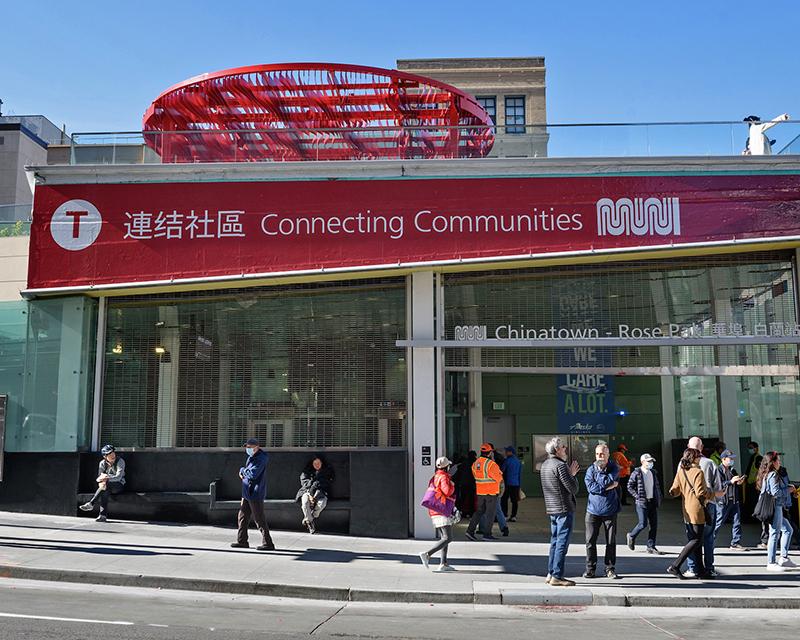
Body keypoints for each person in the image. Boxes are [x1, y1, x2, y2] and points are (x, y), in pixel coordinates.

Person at [667, 448, 715, 579]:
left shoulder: (682, 470)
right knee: (696, 540)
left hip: (686, 509)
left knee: (696, 541)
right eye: (699, 456)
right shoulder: (698, 472)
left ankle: (700, 571)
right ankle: (675, 566)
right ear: (694, 458)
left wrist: (672, 492)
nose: (700, 458)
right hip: (697, 509)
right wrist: (713, 494)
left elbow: (675, 490)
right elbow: (701, 493)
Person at [541, 436, 580, 587]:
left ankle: (551, 573)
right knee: (562, 543)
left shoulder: (545, 464)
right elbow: (573, 488)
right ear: (557, 449)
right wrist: (572, 474)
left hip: (552, 508)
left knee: (555, 541)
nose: (565, 449)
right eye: (563, 447)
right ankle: (557, 575)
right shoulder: (560, 465)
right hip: (563, 507)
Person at [686, 435, 724, 577]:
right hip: (709, 505)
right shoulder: (710, 463)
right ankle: (709, 568)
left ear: (688, 447)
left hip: (690, 507)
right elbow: (718, 488)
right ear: (701, 448)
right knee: (708, 538)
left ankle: (692, 568)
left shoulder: (682, 464)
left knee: (692, 537)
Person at [583, 443, 621, 579]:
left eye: (603, 453)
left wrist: (602, 480)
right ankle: (590, 569)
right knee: (590, 541)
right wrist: (608, 487)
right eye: (598, 454)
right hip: (592, 510)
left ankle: (609, 568)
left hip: (610, 510)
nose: (600, 456)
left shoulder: (614, 468)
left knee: (610, 541)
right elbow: (591, 488)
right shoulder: (590, 470)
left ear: (608, 454)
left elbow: (608, 481)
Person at [230, 437, 275, 551]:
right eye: (247, 447)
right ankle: (242, 540)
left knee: (259, 519)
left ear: (257, 447)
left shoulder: (260, 459)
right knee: (243, 517)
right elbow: (248, 473)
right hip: (247, 492)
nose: (248, 449)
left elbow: (253, 474)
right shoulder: (252, 457)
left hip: (255, 492)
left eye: (250, 447)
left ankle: (268, 543)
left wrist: (242, 470)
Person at [757, 451, 798, 571]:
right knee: (775, 533)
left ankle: (783, 557)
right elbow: (775, 492)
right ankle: (771, 562)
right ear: (772, 462)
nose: (780, 462)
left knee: (788, 530)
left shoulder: (768, 474)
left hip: (778, 506)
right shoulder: (773, 475)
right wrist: (788, 491)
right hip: (776, 506)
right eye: (778, 460)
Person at [419, 456, 458, 572]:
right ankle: (427, 554)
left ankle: (443, 563)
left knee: (443, 537)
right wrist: (452, 484)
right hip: (442, 510)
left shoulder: (435, 477)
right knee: (448, 537)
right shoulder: (444, 477)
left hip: (435, 509)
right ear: (447, 467)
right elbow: (447, 491)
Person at [626, 453, 664, 554]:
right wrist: (637, 496)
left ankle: (651, 546)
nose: (650, 463)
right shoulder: (637, 473)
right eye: (648, 461)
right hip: (642, 502)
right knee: (643, 524)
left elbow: (656, 487)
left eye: (651, 461)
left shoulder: (653, 473)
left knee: (653, 525)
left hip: (652, 502)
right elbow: (629, 486)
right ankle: (631, 535)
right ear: (642, 462)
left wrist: (658, 497)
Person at [465, 443, 503, 541]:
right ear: (490, 452)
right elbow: (499, 478)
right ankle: (487, 534)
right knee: (490, 513)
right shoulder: (491, 464)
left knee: (479, 512)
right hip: (491, 492)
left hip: (480, 492)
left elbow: (475, 476)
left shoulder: (476, 463)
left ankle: (470, 531)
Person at [79, 444, 125, 522]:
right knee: (104, 489)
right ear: (105, 456)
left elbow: (118, 477)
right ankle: (102, 516)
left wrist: (106, 479)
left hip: (119, 485)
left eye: (113, 452)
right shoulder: (102, 463)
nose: (112, 455)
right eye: (109, 454)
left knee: (105, 486)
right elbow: (99, 477)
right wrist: (102, 482)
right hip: (106, 486)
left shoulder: (120, 461)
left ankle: (91, 503)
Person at [715, 449, 746, 550]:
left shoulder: (732, 470)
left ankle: (735, 542)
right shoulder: (718, 470)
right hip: (724, 501)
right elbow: (719, 485)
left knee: (737, 521)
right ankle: (709, 541)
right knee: (718, 522)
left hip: (734, 499)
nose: (732, 460)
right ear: (723, 459)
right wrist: (731, 481)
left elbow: (734, 482)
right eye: (730, 458)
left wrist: (739, 482)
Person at [296, 455, 334, 534]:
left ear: (322, 463)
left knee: (321, 505)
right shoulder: (306, 471)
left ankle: (309, 519)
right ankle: (310, 524)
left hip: (321, 493)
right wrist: (311, 490)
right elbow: (304, 483)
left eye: (318, 463)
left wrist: (317, 486)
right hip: (307, 492)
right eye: (315, 463)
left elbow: (327, 482)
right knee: (305, 503)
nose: (317, 465)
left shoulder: (327, 471)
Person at [453, 450, 477, 518]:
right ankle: (471, 513)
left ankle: (463, 513)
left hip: (463, 484)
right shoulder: (476, 463)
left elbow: (459, 473)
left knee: (463, 499)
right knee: (471, 499)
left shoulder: (464, 463)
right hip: (472, 484)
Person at [501, 446, 522, 522]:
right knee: (514, 501)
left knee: (504, 499)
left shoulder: (507, 461)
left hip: (507, 484)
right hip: (516, 484)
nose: (505, 453)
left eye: (507, 451)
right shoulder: (518, 461)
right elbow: (520, 474)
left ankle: (505, 515)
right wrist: (519, 485)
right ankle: (513, 516)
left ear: (510, 452)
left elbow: (502, 471)